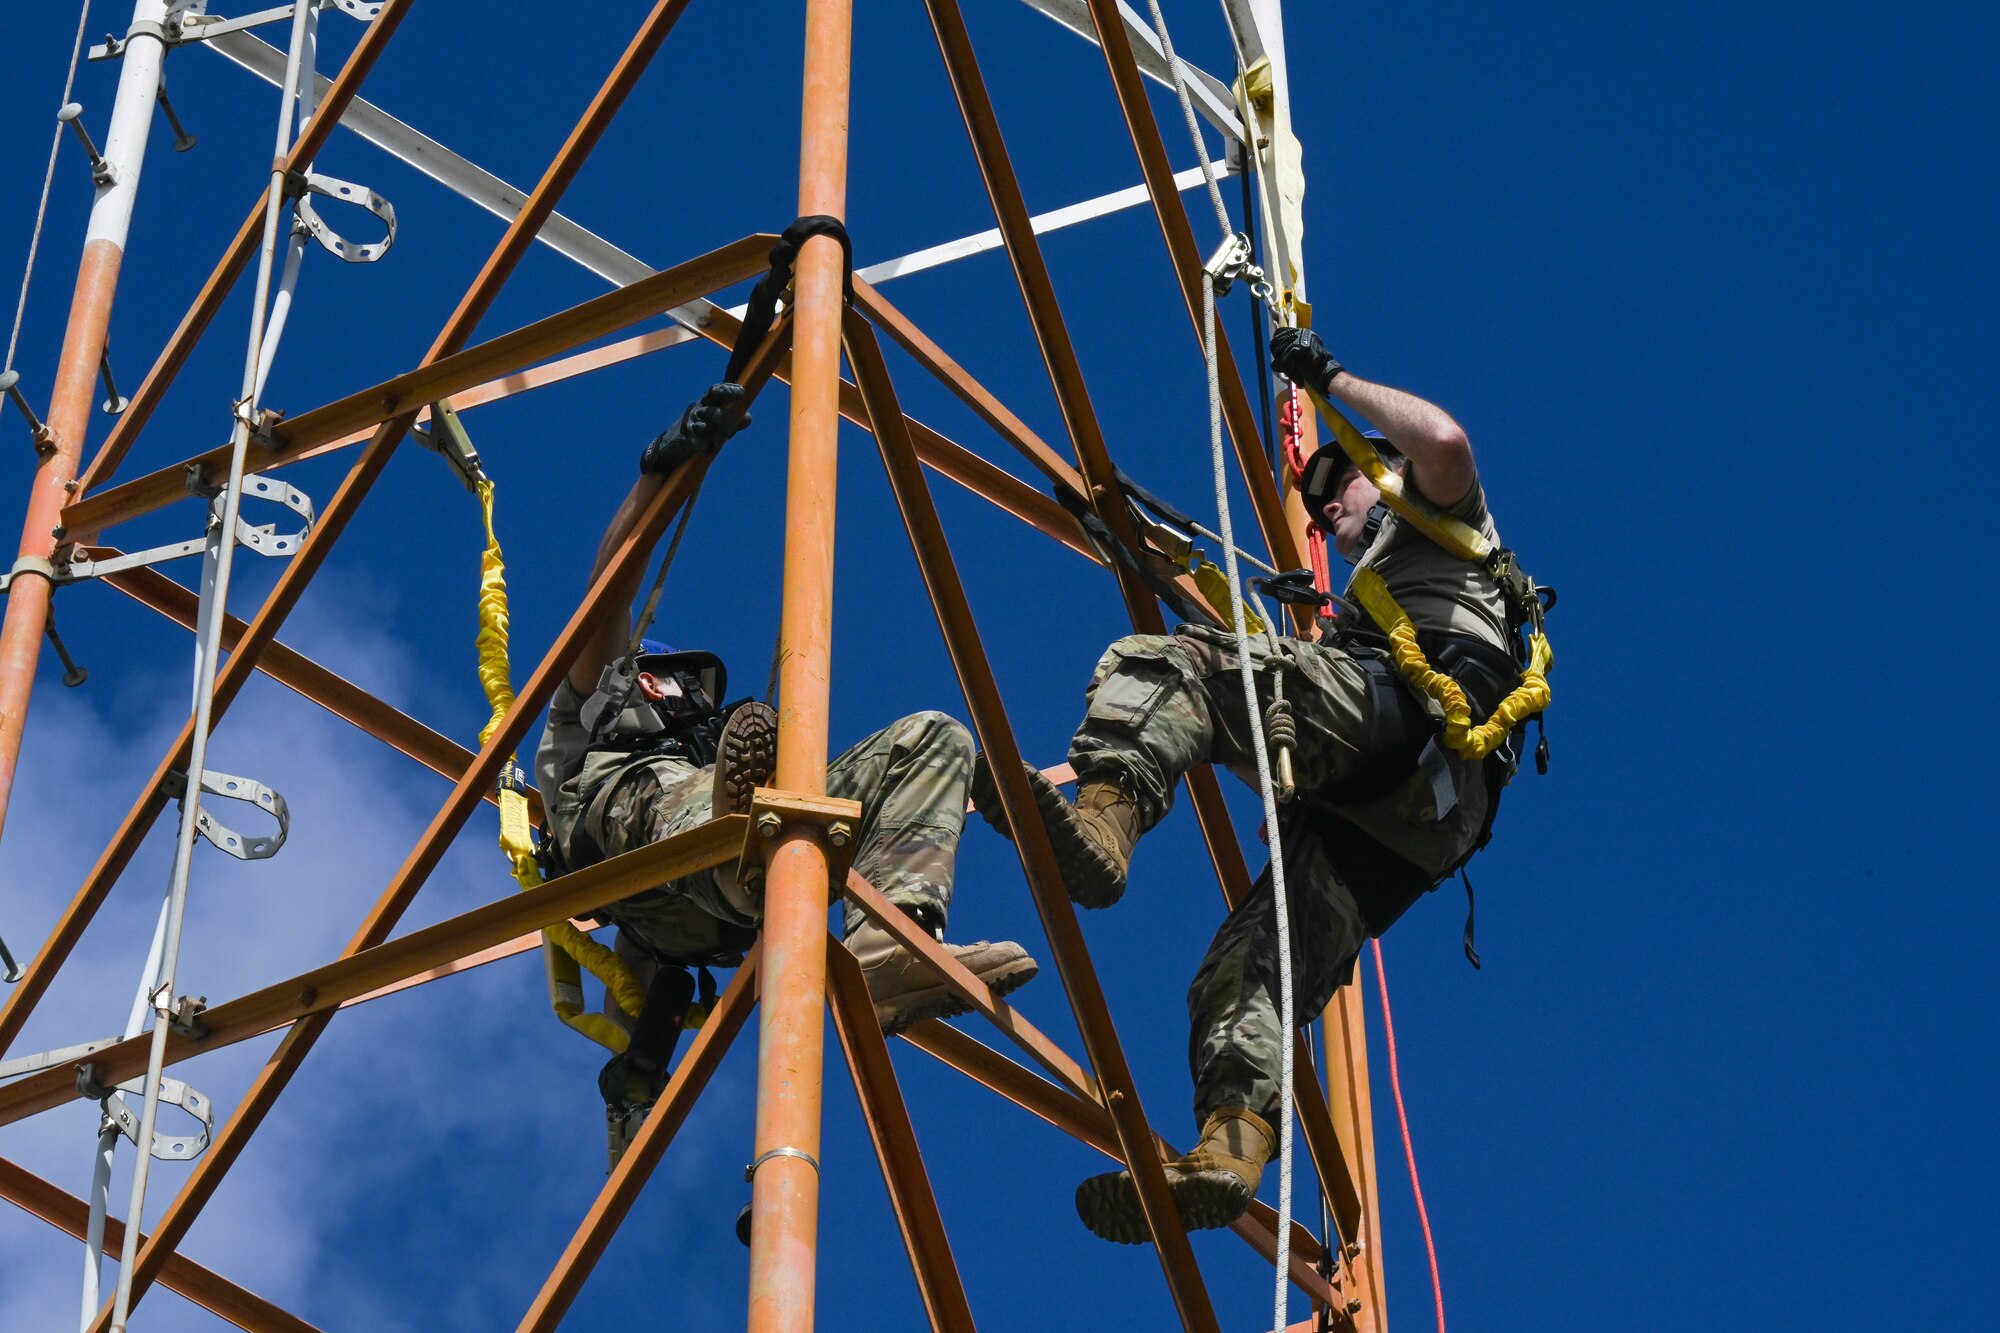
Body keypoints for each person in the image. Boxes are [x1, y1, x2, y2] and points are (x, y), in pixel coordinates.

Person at [972, 331, 1545, 1241]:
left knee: (1170, 662)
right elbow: (1245, 745)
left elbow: (1444, 443)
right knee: (1248, 969)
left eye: (1336, 484)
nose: (1322, 512)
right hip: (1413, 820)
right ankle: (1231, 1147)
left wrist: (1331, 381)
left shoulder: (1444, 520)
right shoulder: (1370, 605)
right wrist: (1027, 783)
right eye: (1315, 507)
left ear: (1377, 465)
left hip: (1413, 723)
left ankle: (1110, 826)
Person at [536, 382, 1041, 1081]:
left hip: (720, 909)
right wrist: (660, 471)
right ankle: (752, 840)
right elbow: (609, 594)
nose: (675, 694)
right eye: (664, 679)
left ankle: (891, 945)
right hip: (633, 850)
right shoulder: (596, 715)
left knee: (932, 740)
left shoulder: (702, 748)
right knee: (695, 794)